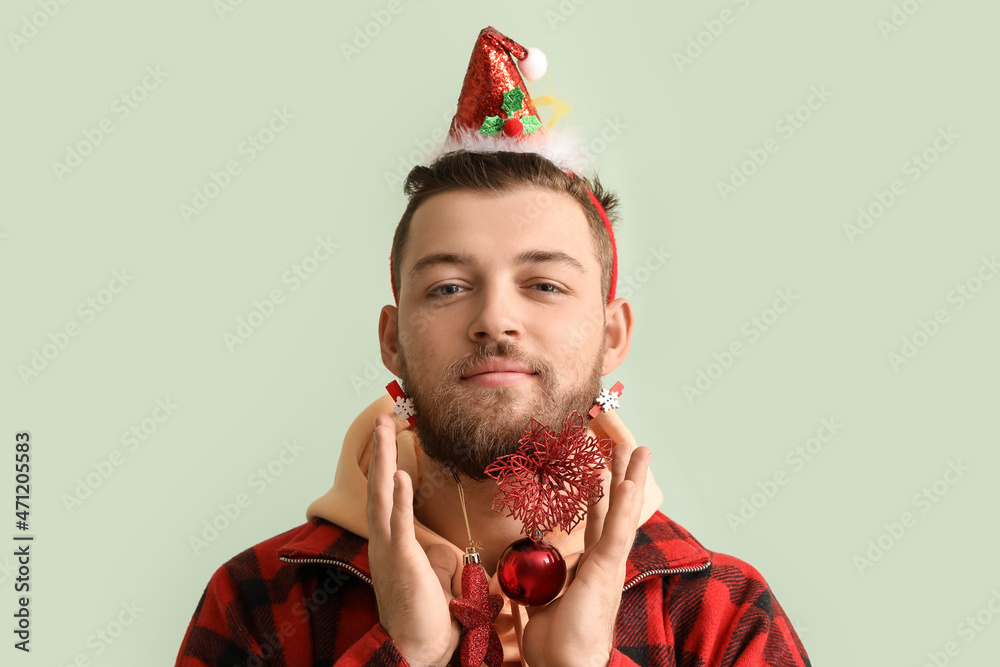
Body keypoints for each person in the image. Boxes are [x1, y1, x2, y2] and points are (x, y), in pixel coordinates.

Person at [174, 27, 811, 667]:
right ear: (393, 341)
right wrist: (404, 655)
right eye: (449, 286)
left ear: (612, 335)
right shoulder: (259, 601)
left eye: (543, 284)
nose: (495, 320)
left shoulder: (721, 615)